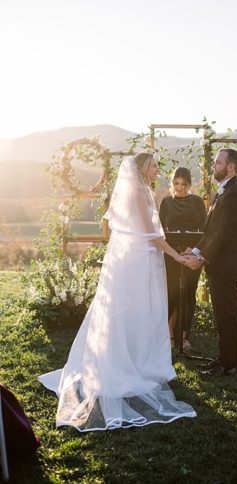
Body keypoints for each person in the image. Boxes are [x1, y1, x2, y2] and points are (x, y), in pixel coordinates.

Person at [38, 153, 197, 432]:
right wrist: (177, 256)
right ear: (142, 169)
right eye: (154, 165)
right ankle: (127, 364)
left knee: (132, 312)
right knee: (132, 311)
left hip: (135, 259)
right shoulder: (138, 195)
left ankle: (135, 358)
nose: (158, 169)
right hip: (137, 262)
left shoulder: (140, 191)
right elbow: (152, 236)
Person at [184, 148, 237, 377]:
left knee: (226, 315)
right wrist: (194, 250)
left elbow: (225, 234)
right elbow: (210, 232)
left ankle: (229, 364)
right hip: (218, 265)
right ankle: (222, 359)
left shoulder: (234, 195)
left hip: (226, 265)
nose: (214, 166)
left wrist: (200, 258)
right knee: (221, 314)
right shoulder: (224, 192)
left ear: (230, 167)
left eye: (218, 162)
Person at [159, 167, 206, 350]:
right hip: (171, 254)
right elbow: (160, 231)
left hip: (192, 254)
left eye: (183, 184)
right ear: (172, 183)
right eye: (176, 183)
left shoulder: (197, 202)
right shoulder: (166, 203)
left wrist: (192, 250)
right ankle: (170, 336)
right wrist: (174, 252)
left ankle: (185, 336)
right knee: (172, 293)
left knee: (188, 293)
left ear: (188, 183)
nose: (179, 187)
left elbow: (204, 228)